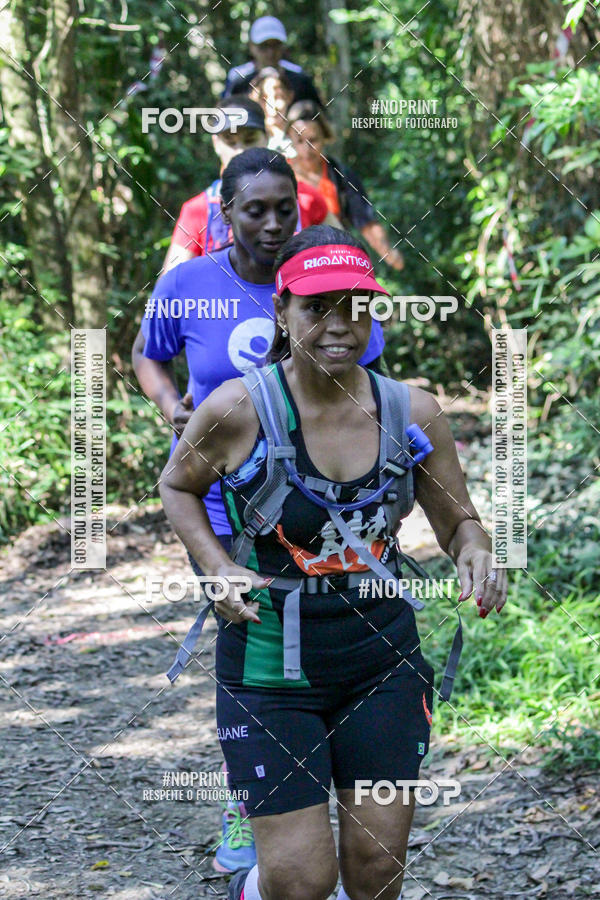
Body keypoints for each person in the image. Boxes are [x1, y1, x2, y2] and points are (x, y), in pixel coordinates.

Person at [158, 224, 508, 900]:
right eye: (317, 307)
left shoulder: (414, 412)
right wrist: (213, 565)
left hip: (381, 664)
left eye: (356, 305)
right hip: (269, 665)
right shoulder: (238, 408)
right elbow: (178, 484)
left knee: (376, 871)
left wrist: (478, 554)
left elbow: (459, 520)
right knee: (301, 880)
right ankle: (254, 886)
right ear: (282, 312)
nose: (339, 324)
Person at [132, 155, 385, 875]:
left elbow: (366, 379)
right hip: (220, 503)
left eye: (285, 209)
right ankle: (254, 796)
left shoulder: (323, 283)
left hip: (315, 502)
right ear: (225, 210)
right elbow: (147, 355)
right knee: (252, 631)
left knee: (324, 630)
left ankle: (323, 787)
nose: (273, 223)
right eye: (255, 210)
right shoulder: (188, 284)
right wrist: (170, 407)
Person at [163, 97, 339, 274]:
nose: (240, 150)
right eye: (230, 142)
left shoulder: (305, 197)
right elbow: (170, 289)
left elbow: (346, 259)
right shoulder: (199, 209)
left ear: (266, 138)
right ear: (216, 144)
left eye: (249, 140)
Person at [286, 101, 405, 271]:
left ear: (325, 137)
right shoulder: (281, 174)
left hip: (333, 262)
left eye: (313, 140)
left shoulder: (339, 175)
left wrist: (388, 252)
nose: (307, 149)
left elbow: (365, 220)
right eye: (299, 140)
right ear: (290, 138)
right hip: (293, 263)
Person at [223, 15, 322, 108]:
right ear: (251, 46)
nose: (270, 53)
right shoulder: (238, 78)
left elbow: (314, 114)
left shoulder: (300, 79)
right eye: (263, 46)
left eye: (275, 45)